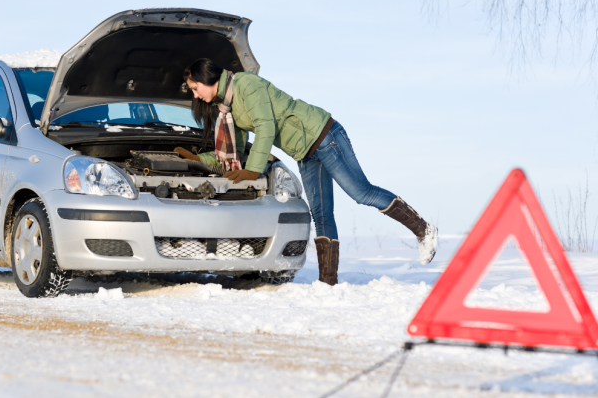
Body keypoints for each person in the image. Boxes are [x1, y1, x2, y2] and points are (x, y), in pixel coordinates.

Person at [174, 59, 438, 285]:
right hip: (305, 152)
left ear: (207, 78)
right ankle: (328, 283)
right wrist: (198, 159)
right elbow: (237, 150)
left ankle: (423, 229)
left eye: (195, 88)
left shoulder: (246, 84)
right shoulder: (228, 108)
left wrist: (254, 171)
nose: (195, 95)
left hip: (324, 135)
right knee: (321, 215)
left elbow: (266, 127)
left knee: (361, 192)